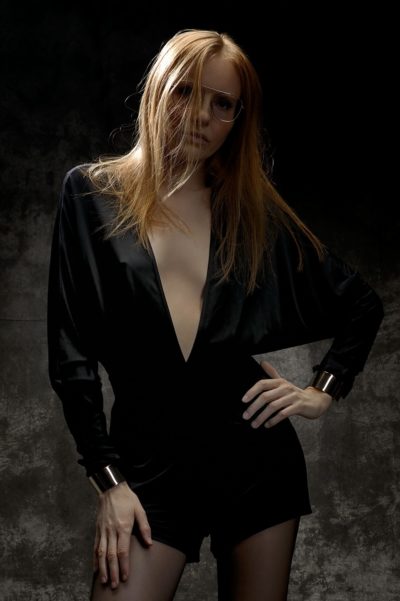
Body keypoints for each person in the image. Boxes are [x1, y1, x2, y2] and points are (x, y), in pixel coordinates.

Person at [47, 29, 383, 601]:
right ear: (158, 89)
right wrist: (109, 482)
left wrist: (322, 390)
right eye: (185, 91)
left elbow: (361, 304)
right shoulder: (91, 194)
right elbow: (70, 355)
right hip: (146, 470)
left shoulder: (248, 210)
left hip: (255, 462)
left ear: (236, 119)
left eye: (222, 103)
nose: (201, 116)